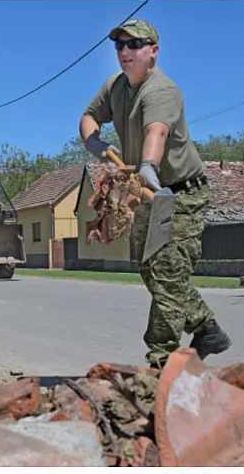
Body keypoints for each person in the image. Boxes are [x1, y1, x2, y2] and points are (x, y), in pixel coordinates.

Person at [79, 19, 231, 367]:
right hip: (147, 193)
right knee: (151, 269)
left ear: (154, 51)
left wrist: (148, 164)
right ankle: (207, 328)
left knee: (165, 271)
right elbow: (89, 116)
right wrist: (93, 140)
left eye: (134, 44)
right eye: (119, 45)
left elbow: (157, 131)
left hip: (178, 194)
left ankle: (161, 362)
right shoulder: (116, 86)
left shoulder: (161, 90)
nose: (125, 52)